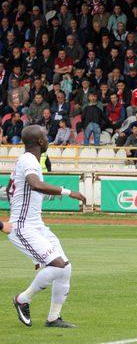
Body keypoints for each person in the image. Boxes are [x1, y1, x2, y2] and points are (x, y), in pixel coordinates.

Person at [8, 125, 86, 328]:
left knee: (65, 268)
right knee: (56, 265)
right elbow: (35, 184)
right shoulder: (28, 160)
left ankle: (53, 318)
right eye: (45, 136)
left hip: (37, 225)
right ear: (40, 142)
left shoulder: (27, 161)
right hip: (23, 227)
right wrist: (69, 192)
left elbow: (11, 190)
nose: (48, 139)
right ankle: (22, 300)